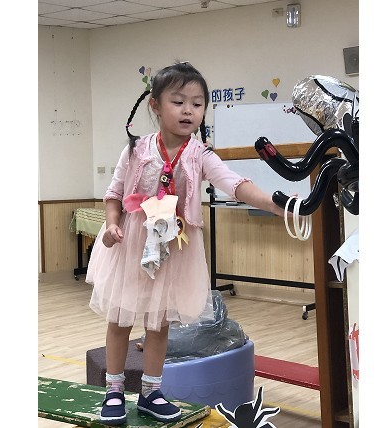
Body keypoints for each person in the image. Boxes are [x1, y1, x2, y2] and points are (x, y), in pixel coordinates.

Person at [85, 61, 285, 425]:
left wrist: (274, 203)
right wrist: (112, 225)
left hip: (174, 249)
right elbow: (114, 194)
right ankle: (113, 390)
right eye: (178, 102)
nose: (188, 110)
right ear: (155, 106)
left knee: (159, 324)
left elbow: (234, 183)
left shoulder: (201, 155)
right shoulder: (135, 150)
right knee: (120, 318)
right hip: (131, 245)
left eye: (197, 103)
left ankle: (151, 392)